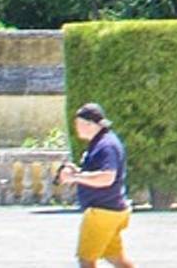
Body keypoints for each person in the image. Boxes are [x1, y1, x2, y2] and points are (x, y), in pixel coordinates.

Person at [59, 102, 132, 268]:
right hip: (112, 209)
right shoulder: (102, 143)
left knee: (86, 259)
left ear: (89, 124)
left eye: (78, 124)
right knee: (115, 257)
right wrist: (78, 172)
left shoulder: (105, 145)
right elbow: (97, 173)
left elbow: (107, 177)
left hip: (102, 211)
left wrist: (75, 177)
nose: (76, 128)